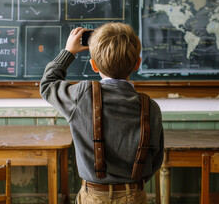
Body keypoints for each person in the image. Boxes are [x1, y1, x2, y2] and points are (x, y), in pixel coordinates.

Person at [40, 22, 164, 204]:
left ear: (94, 65)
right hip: (134, 195)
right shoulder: (150, 107)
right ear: (138, 63)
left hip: (93, 197)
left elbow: (48, 84)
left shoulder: (81, 96)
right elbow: (156, 159)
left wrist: (69, 52)